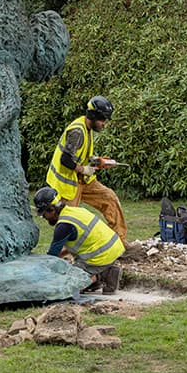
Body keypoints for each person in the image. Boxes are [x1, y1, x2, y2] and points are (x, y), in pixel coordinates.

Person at [45, 94, 127, 242]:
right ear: (94, 116)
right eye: (103, 119)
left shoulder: (87, 128)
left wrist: (98, 161)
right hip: (68, 185)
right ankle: (64, 259)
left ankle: (119, 242)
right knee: (70, 223)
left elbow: (81, 154)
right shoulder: (77, 131)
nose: (104, 124)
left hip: (83, 181)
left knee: (109, 199)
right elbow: (65, 160)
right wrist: (83, 170)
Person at [34, 186, 125, 293]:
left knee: (67, 287)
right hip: (113, 248)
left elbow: (52, 257)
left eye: (44, 214)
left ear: (52, 209)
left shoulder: (63, 226)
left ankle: (99, 276)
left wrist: (40, 273)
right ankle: (104, 274)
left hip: (101, 256)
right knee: (74, 269)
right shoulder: (74, 211)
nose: (44, 217)